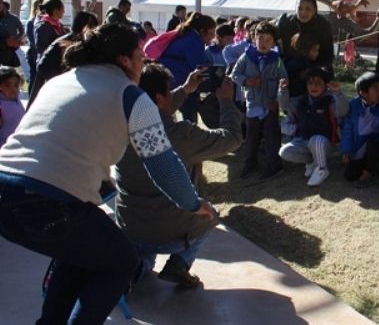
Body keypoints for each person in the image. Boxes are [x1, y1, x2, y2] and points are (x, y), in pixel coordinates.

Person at [0, 24, 215, 324]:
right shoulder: (132, 97)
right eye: (140, 56)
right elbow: (163, 165)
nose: (144, 63)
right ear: (124, 60)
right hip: (49, 201)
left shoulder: (61, 81)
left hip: (5, 189)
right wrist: (194, 204)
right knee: (122, 261)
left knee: (78, 254)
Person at [116, 62, 242, 288]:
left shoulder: (116, 128)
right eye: (168, 91)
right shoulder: (181, 134)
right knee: (210, 214)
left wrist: (185, 90)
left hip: (131, 227)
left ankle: (134, 273)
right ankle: (180, 263)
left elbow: (152, 108)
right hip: (174, 230)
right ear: (159, 97)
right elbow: (232, 139)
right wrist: (225, 101)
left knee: (145, 255)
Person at [232, 21, 287, 179]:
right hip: (253, 104)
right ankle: (250, 163)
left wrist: (278, 96)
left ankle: (274, 165)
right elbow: (234, 75)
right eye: (261, 38)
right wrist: (247, 81)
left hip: (270, 105)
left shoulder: (276, 60)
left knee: (272, 136)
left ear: (274, 42)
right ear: (253, 38)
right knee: (252, 137)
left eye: (268, 40)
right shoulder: (246, 57)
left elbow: (283, 79)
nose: (264, 43)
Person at [278, 66, 348, 187]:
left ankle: (322, 169)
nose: (314, 87)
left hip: (324, 143)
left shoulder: (329, 101)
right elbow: (284, 107)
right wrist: (282, 90)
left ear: (325, 85)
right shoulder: (300, 102)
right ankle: (313, 162)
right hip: (302, 141)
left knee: (317, 140)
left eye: (318, 83)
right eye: (310, 83)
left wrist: (338, 92)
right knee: (284, 152)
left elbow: (343, 111)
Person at [28, 11, 100, 107]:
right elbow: (43, 67)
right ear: (87, 27)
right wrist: (61, 82)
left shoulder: (73, 40)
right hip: (53, 90)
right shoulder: (70, 42)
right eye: (93, 28)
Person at [158, 12, 217, 122]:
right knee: (190, 121)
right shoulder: (193, 43)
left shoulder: (186, 37)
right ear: (202, 31)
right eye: (212, 33)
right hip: (178, 84)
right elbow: (201, 68)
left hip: (167, 82)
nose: (213, 37)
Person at [340, 71, 379, 188]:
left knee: (373, 145)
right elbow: (348, 129)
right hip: (360, 148)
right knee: (350, 175)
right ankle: (373, 167)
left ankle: (369, 172)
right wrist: (346, 150)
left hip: (377, 146)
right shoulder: (353, 106)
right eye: (376, 88)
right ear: (364, 93)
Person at [277, 0, 335, 74]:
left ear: (314, 10)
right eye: (300, 8)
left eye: (308, 9)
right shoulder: (286, 22)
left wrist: (313, 70)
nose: (303, 12)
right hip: (290, 67)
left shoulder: (323, 26)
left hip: (316, 69)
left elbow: (328, 55)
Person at [284, 32, 321, 98]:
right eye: (314, 50)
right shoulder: (300, 64)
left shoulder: (292, 60)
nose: (317, 54)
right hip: (296, 98)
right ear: (305, 51)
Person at [33, 0, 67, 66]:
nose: (64, 11)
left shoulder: (59, 25)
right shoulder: (43, 26)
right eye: (62, 9)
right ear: (55, 11)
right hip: (47, 64)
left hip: (57, 63)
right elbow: (41, 48)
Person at [0, 66, 24, 146]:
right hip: (4, 147)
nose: (13, 89)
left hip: (19, 143)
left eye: (16, 85)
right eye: (7, 86)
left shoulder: (17, 101)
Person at [25, 0, 46, 87]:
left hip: (42, 54)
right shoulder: (31, 22)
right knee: (34, 79)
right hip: (34, 54)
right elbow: (32, 40)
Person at [0, 0, 25, 67]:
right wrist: (5, 42)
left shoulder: (12, 18)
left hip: (11, 58)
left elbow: (22, 31)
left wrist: (17, 40)